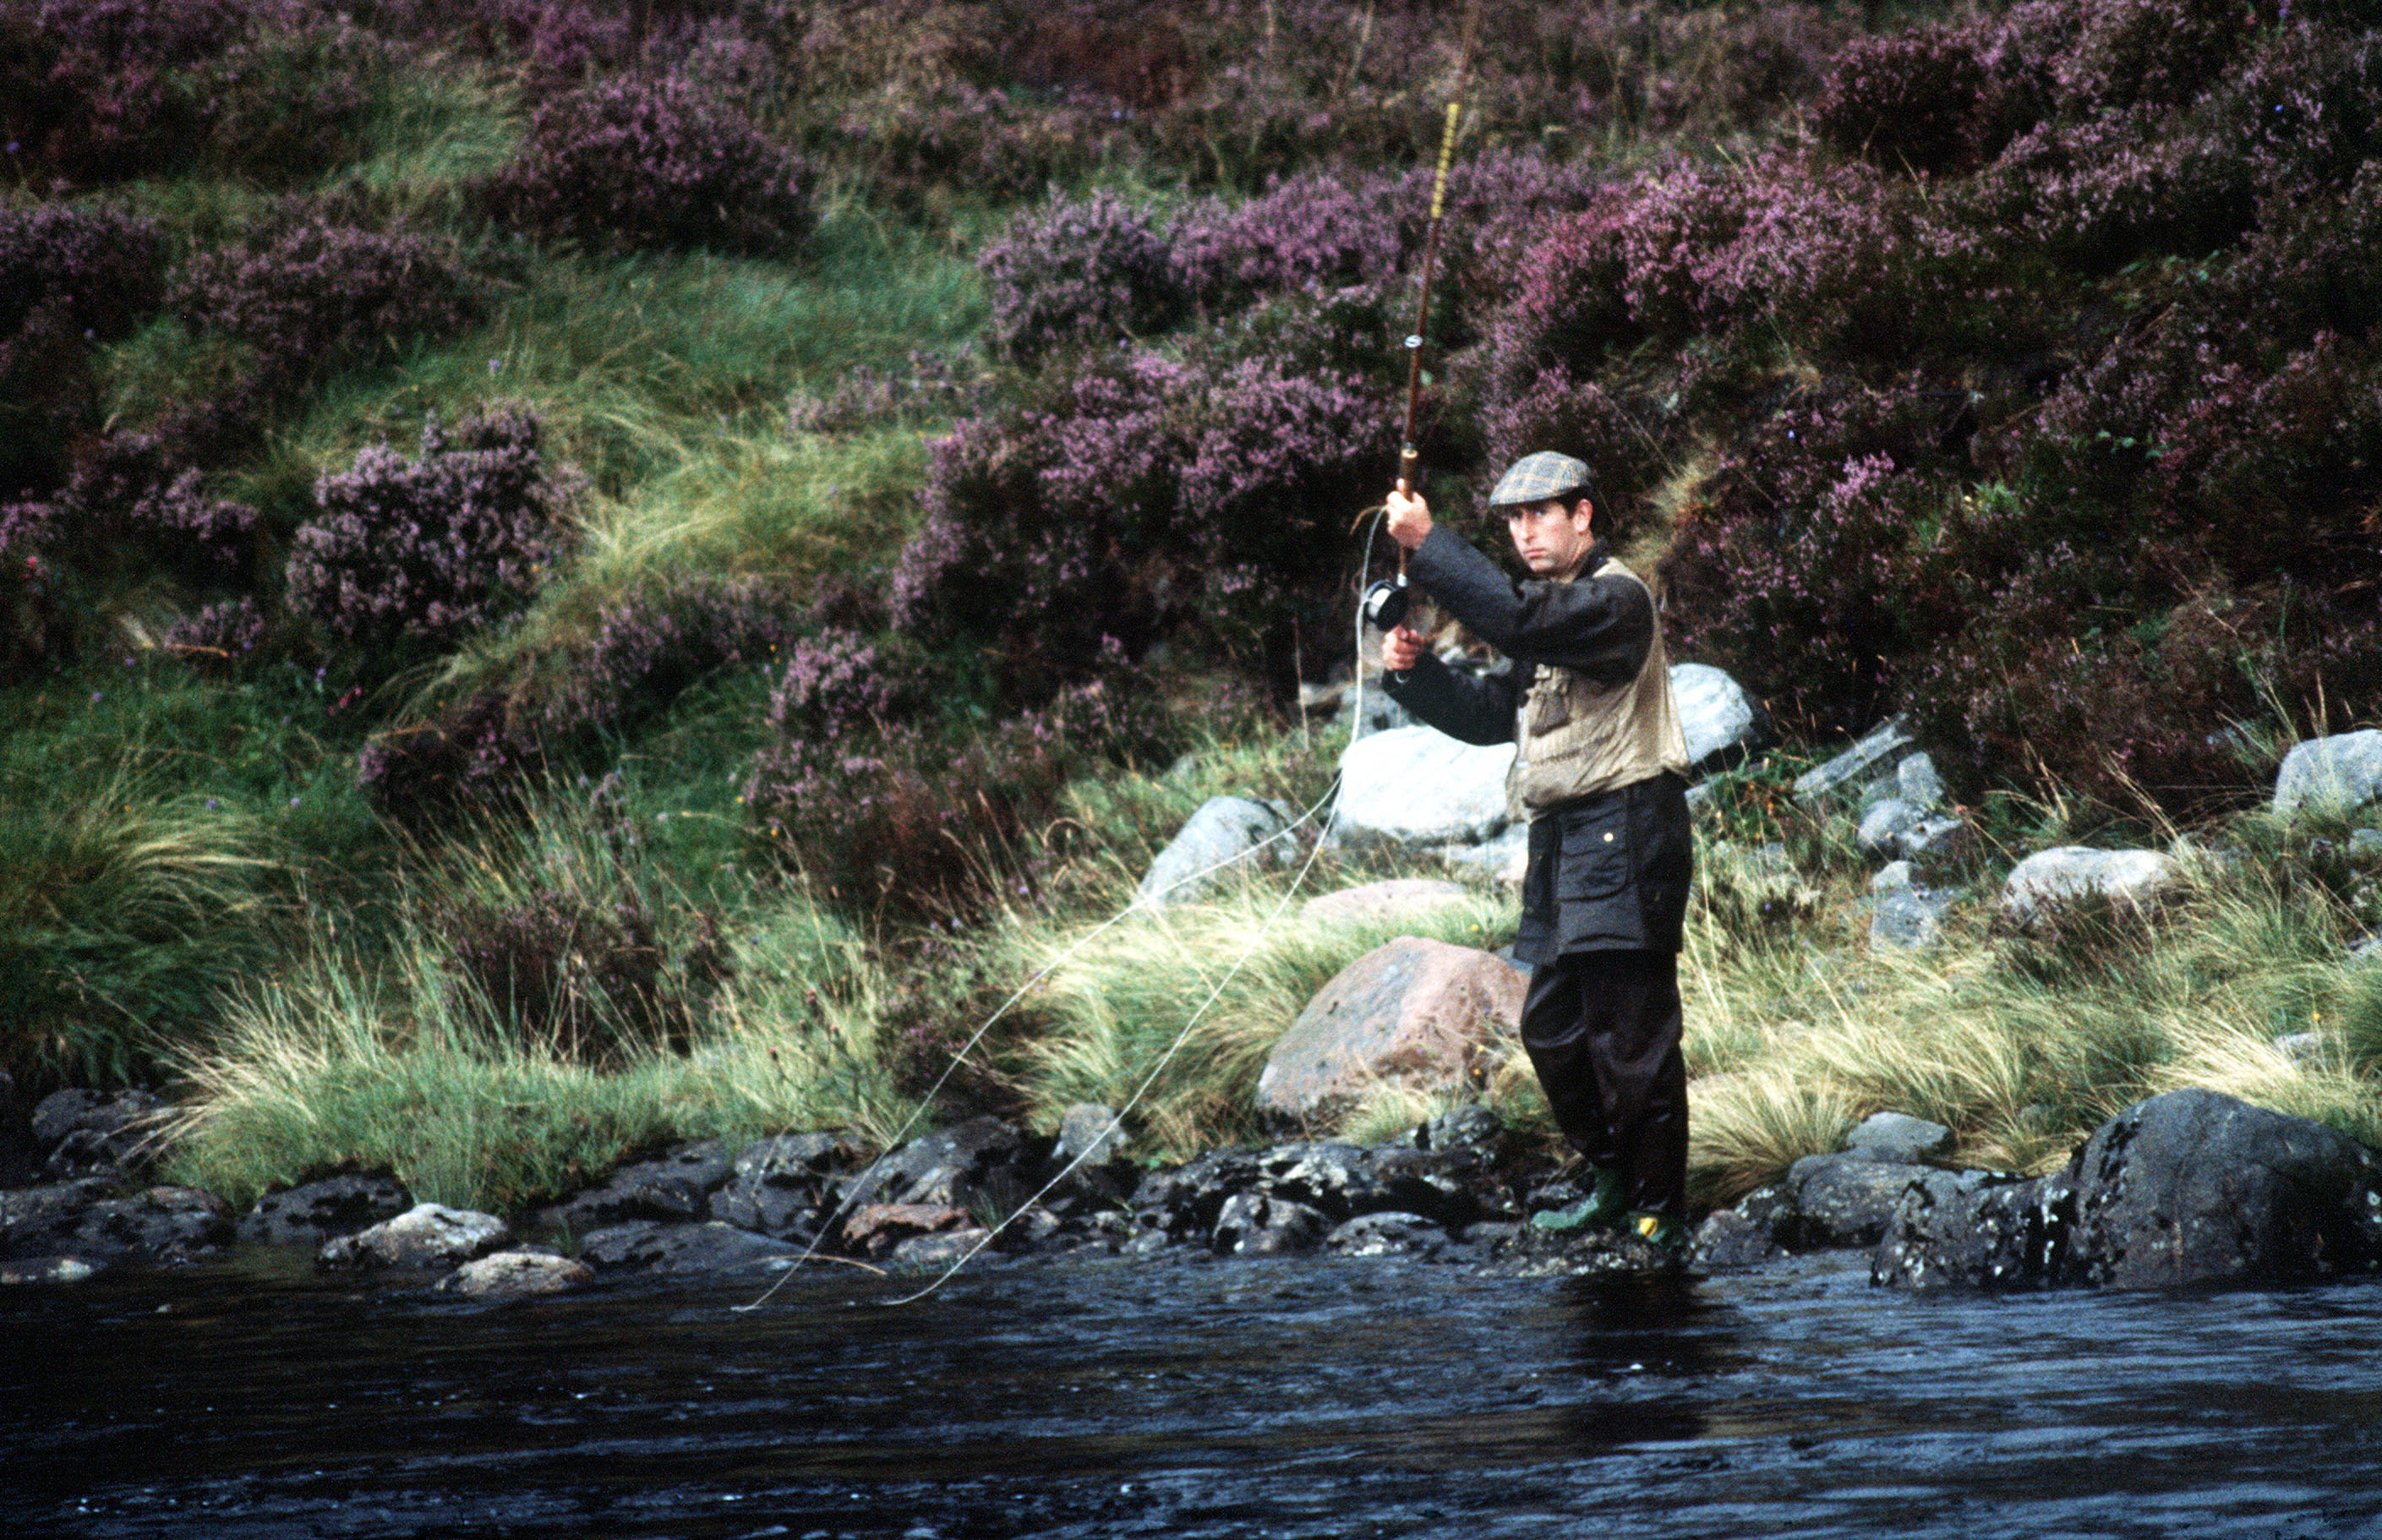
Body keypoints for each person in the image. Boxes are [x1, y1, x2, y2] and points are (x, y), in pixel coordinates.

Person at [1379, 451, 1695, 1253]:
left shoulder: (1615, 601)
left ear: (1582, 515)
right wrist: (1418, 678)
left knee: (1632, 1035)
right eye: (1513, 520)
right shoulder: (1550, 609)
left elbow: (1520, 621)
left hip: (1628, 827)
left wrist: (1431, 544)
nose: (1524, 532)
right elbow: (1495, 714)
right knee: (1552, 1030)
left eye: (1540, 514)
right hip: (1564, 840)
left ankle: (1658, 1210)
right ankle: (1613, 1179)